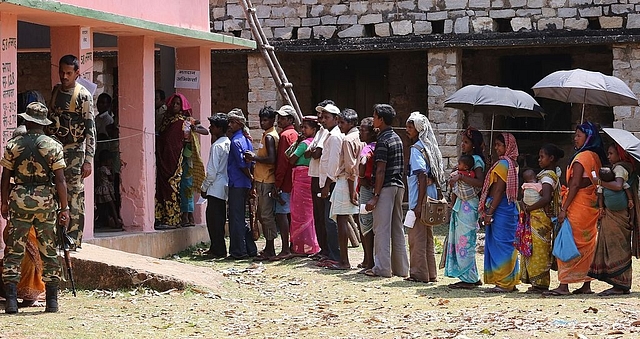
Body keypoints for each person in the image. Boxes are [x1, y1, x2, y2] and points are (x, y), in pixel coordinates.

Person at [1, 101, 70, 313]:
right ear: (43, 122)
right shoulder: (53, 146)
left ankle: (12, 302)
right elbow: (60, 181)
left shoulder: (13, 146)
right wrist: (65, 208)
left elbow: (5, 177)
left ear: (27, 121)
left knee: (14, 251)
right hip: (46, 203)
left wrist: (4, 201)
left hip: (19, 202)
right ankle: (52, 301)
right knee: (48, 250)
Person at [544, 121, 606, 296]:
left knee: (568, 241)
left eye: (579, 135)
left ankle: (564, 284)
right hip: (590, 206)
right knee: (586, 245)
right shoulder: (595, 157)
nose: (575, 138)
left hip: (578, 206)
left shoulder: (582, 158)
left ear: (588, 137)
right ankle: (586, 285)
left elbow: (576, 184)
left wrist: (564, 208)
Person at [45, 54, 95, 248]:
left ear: (76, 73)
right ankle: (57, 237)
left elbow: (90, 129)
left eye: (68, 73)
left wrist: (88, 159)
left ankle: (73, 239)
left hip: (74, 153)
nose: (64, 77)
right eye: (61, 72)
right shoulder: (56, 91)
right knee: (56, 192)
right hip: (55, 151)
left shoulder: (83, 96)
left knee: (74, 194)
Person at [364, 104, 408, 278]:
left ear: (380, 119)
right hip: (398, 186)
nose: (373, 119)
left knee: (381, 229)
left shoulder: (383, 140)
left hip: (386, 187)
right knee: (397, 228)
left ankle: (382, 268)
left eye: (374, 116)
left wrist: (375, 195)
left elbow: (381, 169)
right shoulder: (397, 137)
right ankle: (401, 269)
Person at [588, 144, 637, 296]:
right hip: (612, 214)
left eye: (611, 153)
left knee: (617, 246)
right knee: (613, 244)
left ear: (620, 155)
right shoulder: (617, 168)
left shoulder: (620, 169)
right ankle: (619, 283)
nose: (608, 156)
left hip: (619, 216)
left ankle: (619, 284)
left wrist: (599, 182)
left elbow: (618, 185)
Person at [404, 112, 446, 283]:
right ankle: (431, 273)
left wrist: (419, 204)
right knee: (428, 237)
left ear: (418, 129)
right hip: (431, 197)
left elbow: (421, 175)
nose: (407, 130)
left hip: (419, 199)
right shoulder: (430, 148)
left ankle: (419, 273)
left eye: (410, 127)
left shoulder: (416, 150)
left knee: (416, 238)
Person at [155, 93, 207, 229]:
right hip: (166, 157)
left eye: (178, 104)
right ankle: (169, 216)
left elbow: (205, 131)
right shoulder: (166, 121)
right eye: (173, 103)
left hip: (181, 158)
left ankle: (182, 217)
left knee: (186, 186)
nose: (175, 106)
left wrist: (194, 128)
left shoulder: (186, 121)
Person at [479, 133, 520, 293]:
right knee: (509, 245)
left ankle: (503, 282)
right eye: (495, 145)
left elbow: (498, 191)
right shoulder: (512, 163)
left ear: (507, 146)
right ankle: (510, 280)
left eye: (499, 145)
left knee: (501, 245)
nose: (496, 148)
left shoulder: (503, 164)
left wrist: (489, 213)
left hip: (501, 209)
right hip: (509, 209)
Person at [519, 144, 564, 294]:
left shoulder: (547, 177)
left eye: (542, 157)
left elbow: (545, 198)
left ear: (551, 158)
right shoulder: (545, 175)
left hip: (540, 219)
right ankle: (535, 282)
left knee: (540, 250)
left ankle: (540, 283)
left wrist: (530, 208)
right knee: (535, 248)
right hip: (536, 217)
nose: (539, 160)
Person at [446, 127, 486, 289]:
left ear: (474, 145)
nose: (463, 144)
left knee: (465, 241)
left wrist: (461, 176)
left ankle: (469, 278)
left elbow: (481, 183)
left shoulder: (476, 161)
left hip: (469, 205)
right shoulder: (467, 160)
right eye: (462, 141)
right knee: (460, 240)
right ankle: (470, 276)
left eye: (466, 142)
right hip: (461, 205)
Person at [327, 108, 363, 270]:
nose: (339, 125)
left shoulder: (348, 139)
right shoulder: (360, 136)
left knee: (341, 220)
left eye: (342, 122)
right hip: (356, 181)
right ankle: (367, 259)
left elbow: (350, 167)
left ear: (351, 123)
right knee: (361, 220)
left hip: (347, 181)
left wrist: (351, 191)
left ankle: (344, 260)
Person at [246, 106, 279, 261]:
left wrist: (254, 158)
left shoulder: (270, 137)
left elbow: (271, 159)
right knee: (262, 214)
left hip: (267, 179)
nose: (262, 123)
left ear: (272, 120)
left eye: (265, 120)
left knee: (266, 215)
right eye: (261, 120)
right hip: (262, 178)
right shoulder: (267, 134)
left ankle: (270, 248)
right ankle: (268, 246)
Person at [227, 109, 258, 260]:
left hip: (237, 182)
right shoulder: (247, 140)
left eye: (232, 122)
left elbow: (242, 164)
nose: (230, 125)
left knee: (236, 216)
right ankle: (250, 248)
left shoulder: (235, 141)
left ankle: (238, 250)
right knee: (242, 216)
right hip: (244, 183)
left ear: (239, 124)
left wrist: (250, 177)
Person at [287, 116, 321, 256]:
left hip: (302, 180)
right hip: (309, 179)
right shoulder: (316, 143)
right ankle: (309, 245)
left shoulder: (304, 144)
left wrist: (298, 143)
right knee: (309, 213)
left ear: (313, 129)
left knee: (300, 213)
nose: (302, 130)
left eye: (305, 127)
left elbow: (291, 159)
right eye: (302, 127)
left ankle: (300, 247)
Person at [201, 113, 231, 259]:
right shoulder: (228, 143)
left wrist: (204, 187)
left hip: (215, 187)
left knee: (213, 220)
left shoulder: (217, 146)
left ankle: (217, 249)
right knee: (219, 219)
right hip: (224, 186)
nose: (210, 128)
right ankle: (217, 247)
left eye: (212, 126)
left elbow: (212, 172)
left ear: (219, 128)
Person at [317, 103, 344, 267]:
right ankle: (332, 253)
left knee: (331, 220)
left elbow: (333, 164)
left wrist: (326, 185)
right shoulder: (328, 135)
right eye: (323, 117)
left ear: (336, 119)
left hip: (331, 183)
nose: (324, 120)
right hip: (327, 183)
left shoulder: (334, 137)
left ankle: (336, 255)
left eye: (327, 117)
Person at [306, 100, 333, 260]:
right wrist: (313, 151)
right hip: (314, 175)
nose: (321, 118)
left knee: (325, 216)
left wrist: (313, 152)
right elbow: (309, 152)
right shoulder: (320, 132)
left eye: (324, 115)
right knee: (317, 215)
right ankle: (323, 248)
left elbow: (316, 153)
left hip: (322, 177)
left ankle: (328, 250)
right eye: (320, 115)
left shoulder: (329, 133)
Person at [272, 105, 299, 260]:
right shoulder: (295, 134)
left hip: (285, 181)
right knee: (290, 214)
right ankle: (291, 245)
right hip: (294, 180)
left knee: (282, 214)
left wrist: (277, 184)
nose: (279, 120)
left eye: (283, 118)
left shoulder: (285, 136)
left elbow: (283, 162)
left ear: (290, 119)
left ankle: (285, 248)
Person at [357, 117, 376, 272]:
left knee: (365, 224)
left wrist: (361, 177)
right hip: (372, 187)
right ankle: (366, 259)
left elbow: (364, 161)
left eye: (363, 130)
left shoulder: (368, 148)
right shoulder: (377, 146)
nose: (360, 132)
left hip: (366, 189)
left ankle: (370, 262)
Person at [95, 149, 123, 230]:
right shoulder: (105, 169)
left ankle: (93, 220)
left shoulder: (98, 169)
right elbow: (111, 178)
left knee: (100, 207)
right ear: (106, 160)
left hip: (100, 189)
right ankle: (117, 222)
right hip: (106, 190)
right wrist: (112, 171)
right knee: (112, 206)